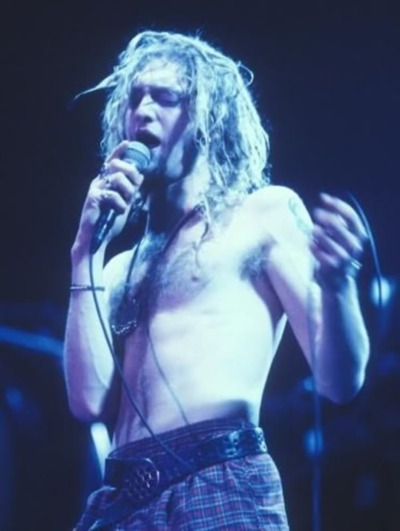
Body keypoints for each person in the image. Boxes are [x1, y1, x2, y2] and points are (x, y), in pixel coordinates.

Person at [64, 30, 370, 530]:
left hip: (219, 480)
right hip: (121, 499)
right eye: (135, 98)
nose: (143, 111)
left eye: (165, 97)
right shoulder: (116, 268)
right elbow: (87, 402)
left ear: (207, 118)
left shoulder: (262, 215)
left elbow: (340, 381)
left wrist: (338, 287)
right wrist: (84, 254)